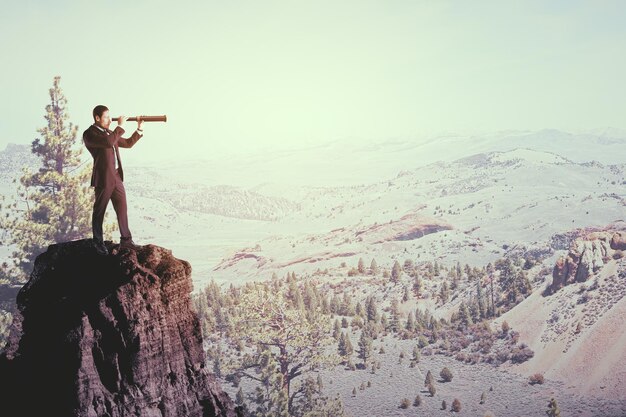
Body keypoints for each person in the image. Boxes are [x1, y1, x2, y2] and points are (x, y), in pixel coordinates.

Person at [83, 105, 143, 255]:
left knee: (122, 208)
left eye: (110, 117)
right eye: (106, 117)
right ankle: (98, 241)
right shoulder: (89, 134)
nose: (110, 120)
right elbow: (108, 142)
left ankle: (126, 240)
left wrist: (139, 128)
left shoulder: (110, 133)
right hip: (103, 178)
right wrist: (120, 126)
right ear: (97, 118)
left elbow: (128, 143)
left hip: (116, 177)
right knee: (99, 211)